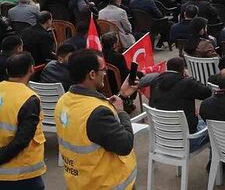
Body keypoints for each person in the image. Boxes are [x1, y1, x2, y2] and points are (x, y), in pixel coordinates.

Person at [54, 49, 138, 189]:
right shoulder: (98, 113)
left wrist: (122, 95)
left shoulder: (63, 101)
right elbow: (125, 145)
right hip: (106, 184)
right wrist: (122, 112)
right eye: (103, 70)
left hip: (80, 181)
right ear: (92, 74)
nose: (105, 74)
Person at [139, 57, 212, 148]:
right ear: (183, 70)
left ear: (167, 68)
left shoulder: (156, 81)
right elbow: (207, 93)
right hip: (185, 140)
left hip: (162, 137)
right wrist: (190, 78)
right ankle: (214, 161)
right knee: (215, 128)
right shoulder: (187, 83)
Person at [0, 52, 46, 189]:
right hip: (22, 175)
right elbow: (22, 140)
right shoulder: (29, 98)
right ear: (31, 69)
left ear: (7, 70)